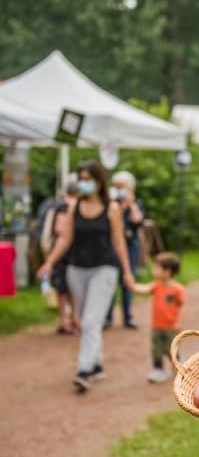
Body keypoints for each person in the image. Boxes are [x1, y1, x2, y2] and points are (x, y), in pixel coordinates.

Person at [37, 160, 134, 393]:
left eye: (87, 179)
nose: (83, 183)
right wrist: (49, 262)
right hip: (76, 269)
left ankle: (84, 369)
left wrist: (127, 272)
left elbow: (119, 243)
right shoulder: (74, 206)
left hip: (105, 268)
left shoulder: (112, 208)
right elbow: (65, 238)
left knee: (90, 321)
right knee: (87, 321)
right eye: (81, 179)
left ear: (99, 181)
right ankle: (97, 363)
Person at [132, 252, 185, 383]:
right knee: (156, 349)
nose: (153, 270)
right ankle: (158, 370)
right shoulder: (156, 286)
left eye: (157, 267)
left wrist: (178, 322)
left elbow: (180, 307)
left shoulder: (177, 290)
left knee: (172, 349)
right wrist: (131, 285)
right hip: (157, 327)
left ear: (167, 271)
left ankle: (178, 370)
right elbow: (143, 289)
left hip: (171, 327)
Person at [104, 171, 144, 329]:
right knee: (111, 280)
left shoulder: (136, 203)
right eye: (117, 186)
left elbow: (137, 220)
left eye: (123, 186)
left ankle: (128, 316)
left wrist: (131, 204)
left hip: (130, 246)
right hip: (113, 246)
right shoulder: (111, 203)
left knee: (128, 279)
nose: (119, 189)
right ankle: (107, 317)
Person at [42, 178, 79, 334]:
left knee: (61, 287)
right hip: (71, 251)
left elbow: (51, 231)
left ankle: (64, 319)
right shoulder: (72, 207)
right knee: (71, 287)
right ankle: (73, 320)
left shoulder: (57, 206)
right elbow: (63, 231)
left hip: (59, 250)